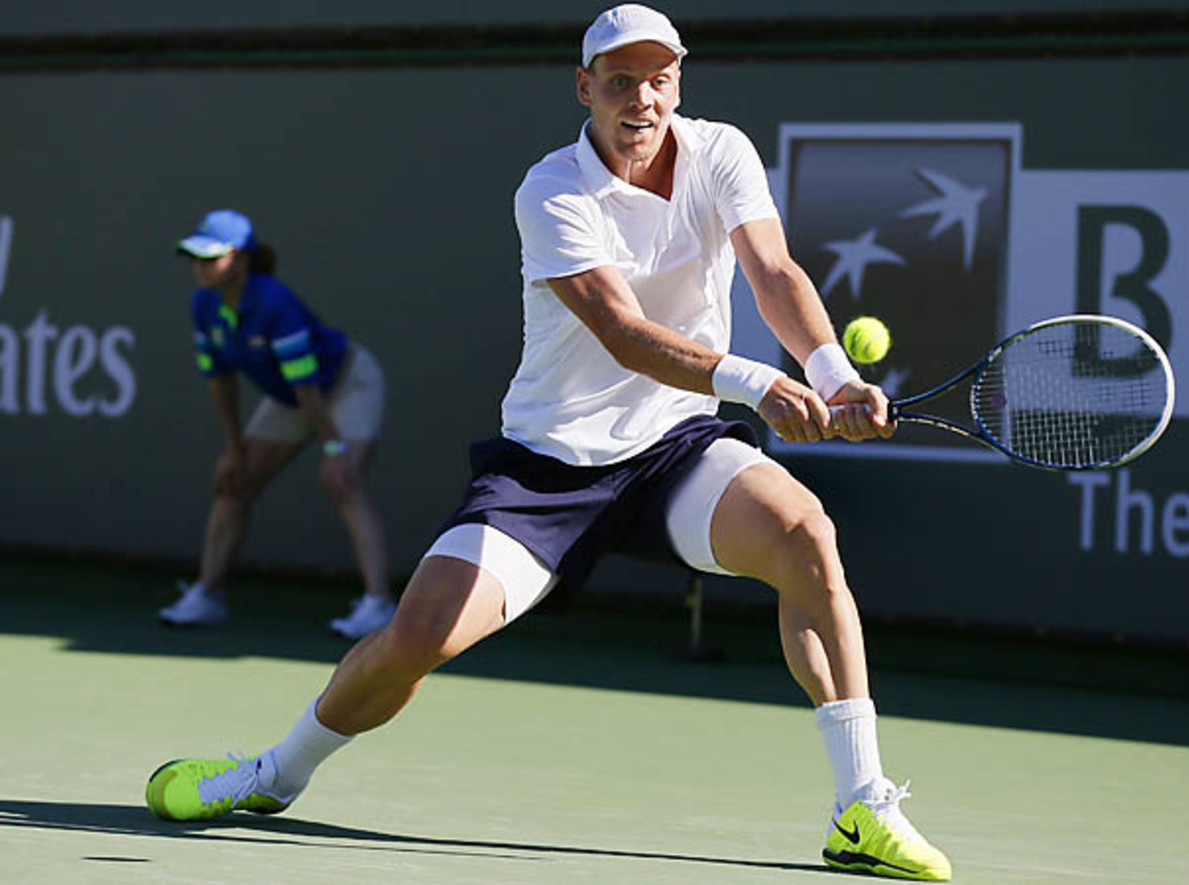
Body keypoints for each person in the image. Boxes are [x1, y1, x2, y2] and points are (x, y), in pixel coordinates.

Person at [146, 9, 952, 880]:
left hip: (677, 447)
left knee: (805, 534)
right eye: (618, 81)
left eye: (658, 79)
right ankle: (275, 773)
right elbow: (622, 329)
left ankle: (861, 805)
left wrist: (831, 376)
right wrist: (759, 383)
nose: (640, 100)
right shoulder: (551, 189)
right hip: (548, 469)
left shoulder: (722, 152)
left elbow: (774, 272)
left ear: (679, 82)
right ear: (584, 88)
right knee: (417, 637)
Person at [158, 209, 398, 641]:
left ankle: (378, 603)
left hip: (347, 385)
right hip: (293, 396)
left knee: (344, 482)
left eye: (210, 258)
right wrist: (234, 450)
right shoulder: (204, 305)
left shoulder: (274, 304)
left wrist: (334, 451)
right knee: (234, 480)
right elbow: (220, 383)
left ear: (241, 260)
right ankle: (207, 595)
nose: (200, 267)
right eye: (195, 258)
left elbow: (309, 389)